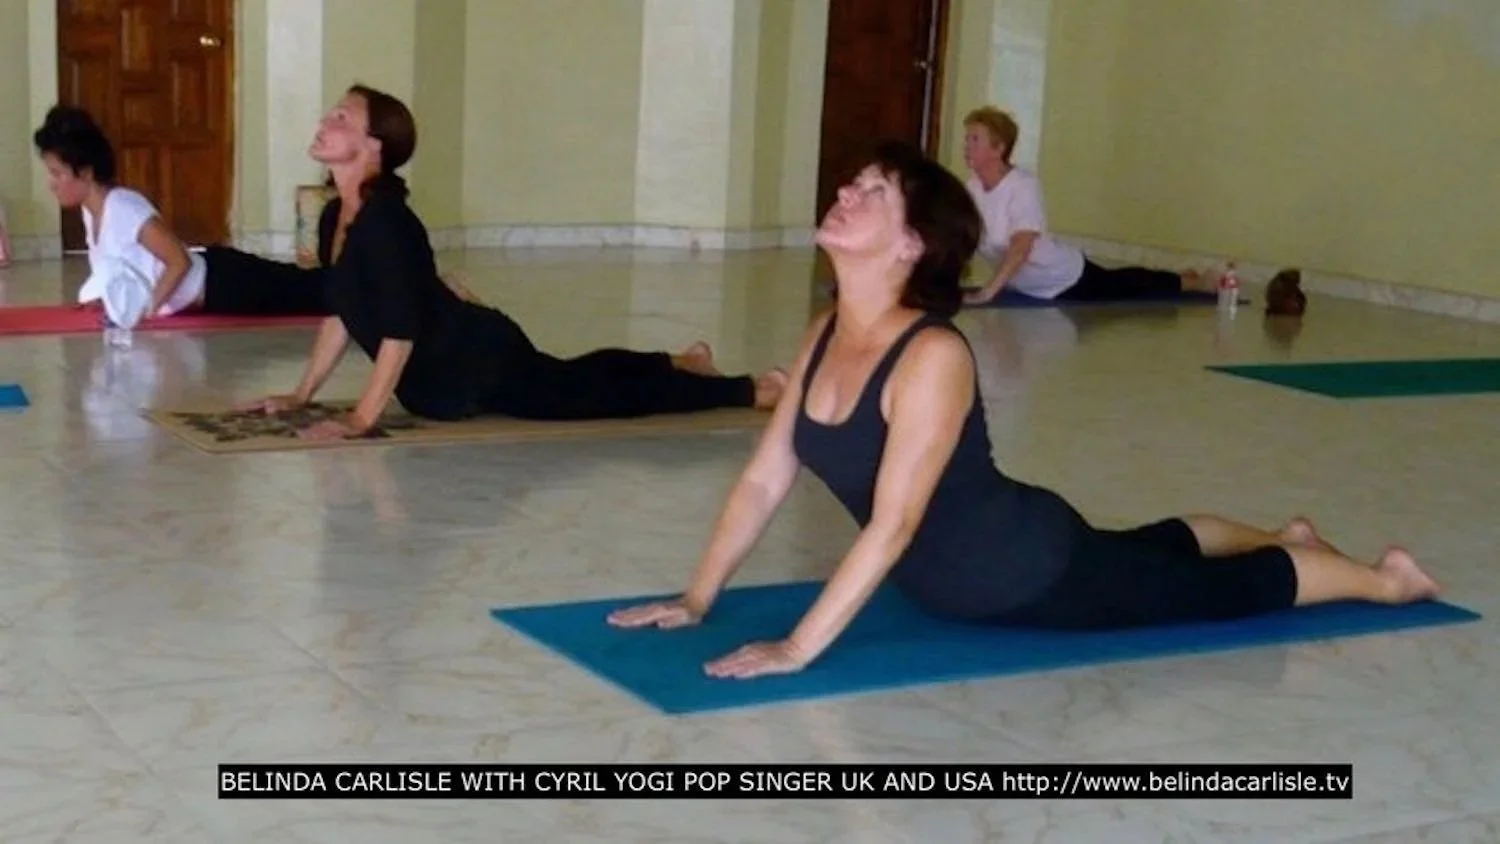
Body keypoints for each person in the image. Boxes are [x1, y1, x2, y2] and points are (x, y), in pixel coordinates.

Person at [606, 140, 1441, 680]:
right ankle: (1287, 532)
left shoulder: (930, 356)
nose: (845, 192)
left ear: (910, 247)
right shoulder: (827, 326)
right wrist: (698, 598)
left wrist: (797, 647)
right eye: (852, 183)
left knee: (1211, 590)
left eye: (871, 192)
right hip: (986, 564)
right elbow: (762, 480)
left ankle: (1383, 581)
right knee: (1152, 546)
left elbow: (893, 525)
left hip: (1028, 577)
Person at [238, 84, 787, 440]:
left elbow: (400, 331)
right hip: (446, 372)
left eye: (341, 117)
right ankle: (678, 361)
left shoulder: (387, 224)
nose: (324, 122)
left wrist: (361, 419)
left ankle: (747, 391)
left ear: (374, 145)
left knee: (593, 398)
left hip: (476, 363)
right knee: (573, 374)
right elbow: (341, 311)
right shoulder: (338, 215)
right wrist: (301, 394)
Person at [32, 105, 330, 327]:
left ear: (85, 172)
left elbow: (179, 261)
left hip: (224, 282)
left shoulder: (123, 207)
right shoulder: (90, 212)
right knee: (314, 290)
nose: (52, 183)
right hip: (212, 293)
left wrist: (146, 312)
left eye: (57, 173)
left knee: (315, 292)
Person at [958, 106, 1220, 306]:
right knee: (1123, 281)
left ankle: (1193, 282)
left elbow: (1020, 248)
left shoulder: (1022, 186)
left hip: (1061, 278)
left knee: (1128, 286)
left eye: (974, 139)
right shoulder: (973, 188)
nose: (966, 146)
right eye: (967, 138)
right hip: (1025, 286)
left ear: (998, 148)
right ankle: (1182, 276)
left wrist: (989, 291)